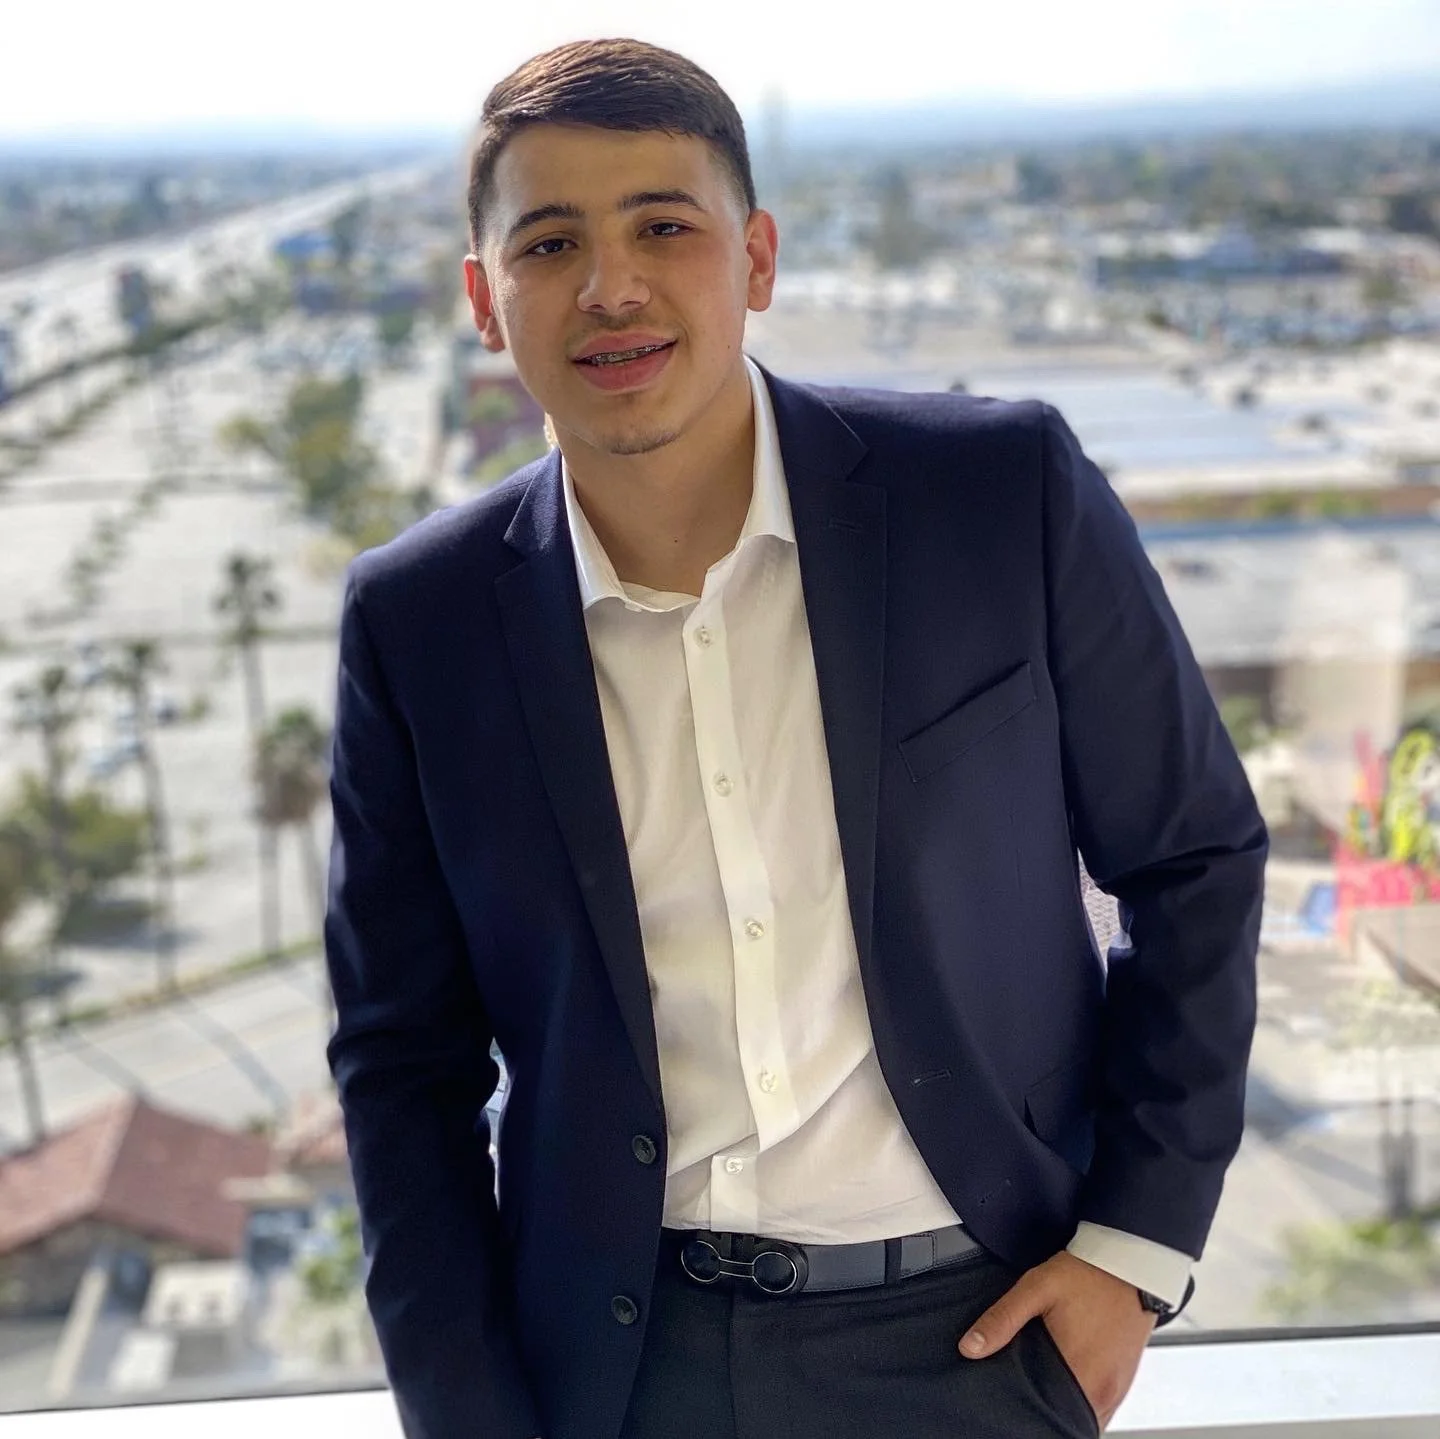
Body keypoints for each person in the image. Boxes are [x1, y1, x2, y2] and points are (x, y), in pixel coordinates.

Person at [324, 38, 1267, 1439]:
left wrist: (1132, 1248)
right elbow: (403, 1065)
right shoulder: (419, 620)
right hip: (623, 1369)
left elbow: (1193, 853)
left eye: (664, 225)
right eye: (549, 243)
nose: (612, 285)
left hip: (984, 1333)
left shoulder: (998, 494)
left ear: (755, 258)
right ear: (483, 298)